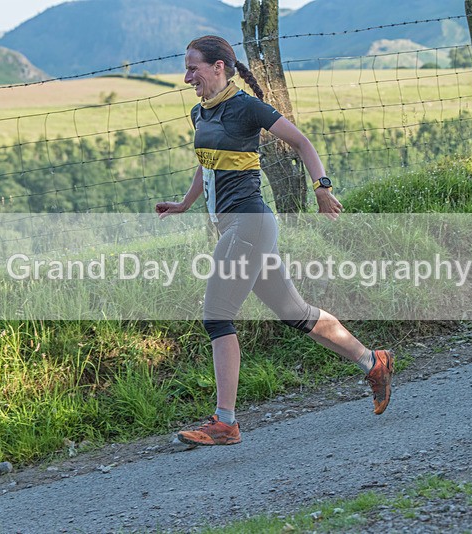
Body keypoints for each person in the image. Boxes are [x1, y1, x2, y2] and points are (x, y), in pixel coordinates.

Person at [155, 35, 393, 446]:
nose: (187, 75)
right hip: (237, 229)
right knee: (296, 313)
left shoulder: (246, 106)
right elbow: (205, 164)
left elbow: (301, 142)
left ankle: (225, 421)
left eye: (194, 67)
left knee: (216, 317)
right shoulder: (199, 113)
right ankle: (373, 361)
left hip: (250, 224)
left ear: (219, 67)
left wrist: (321, 186)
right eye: (187, 67)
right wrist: (184, 203)